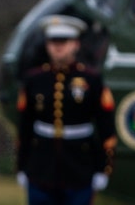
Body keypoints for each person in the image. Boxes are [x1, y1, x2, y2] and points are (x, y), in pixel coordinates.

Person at [15, 15, 117, 205]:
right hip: (41, 167)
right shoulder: (34, 80)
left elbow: (106, 127)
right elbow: (25, 126)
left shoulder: (91, 80)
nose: (57, 46)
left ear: (76, 44)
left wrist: (104, 168)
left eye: (64, 40)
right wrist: (21, 165)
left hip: (80, 167)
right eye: (53, 41)